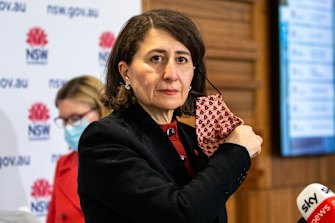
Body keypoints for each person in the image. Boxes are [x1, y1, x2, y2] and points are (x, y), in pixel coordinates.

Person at [78, 9, 262, 223]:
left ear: (194, 72)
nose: (171, 74)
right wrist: (235, 151)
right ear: (125, 71)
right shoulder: (104, 139)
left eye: (182, 59)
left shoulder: (193, 137)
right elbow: (177, 215)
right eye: (156, 58)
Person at [46, 75, 111, 223]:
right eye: (64, 120)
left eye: (75, 118)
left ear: (102, 110)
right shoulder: (63, 164)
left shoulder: (128, 159)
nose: (68, 127)